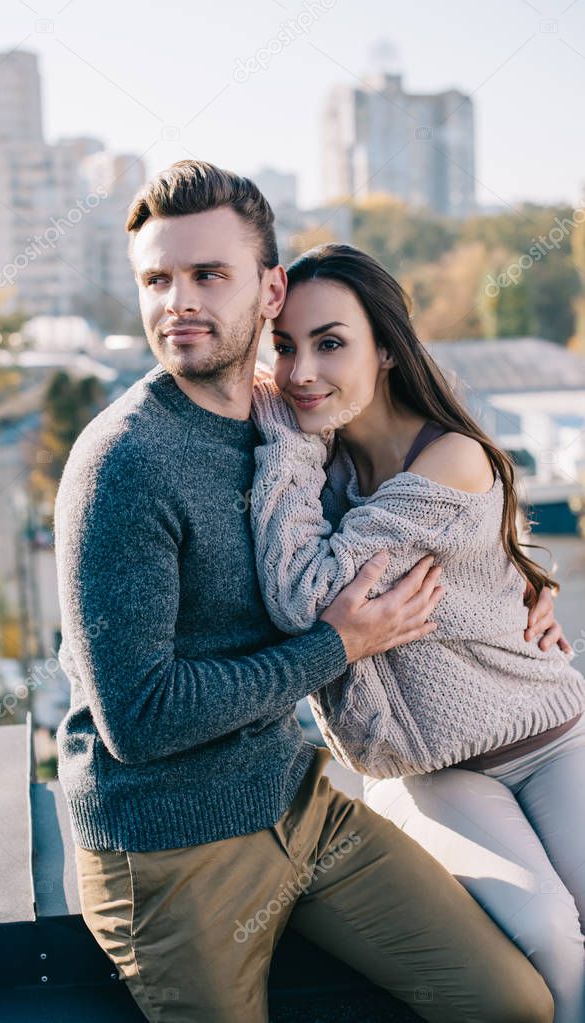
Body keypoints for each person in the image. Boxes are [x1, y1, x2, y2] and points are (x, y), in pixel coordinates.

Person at [54, 160, 557, 1023]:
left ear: (268, 287)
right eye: (156, 279)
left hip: (300, 805)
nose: (178, 300)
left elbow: (410, 509)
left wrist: (519, 587)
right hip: (171, 849)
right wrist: (335, 645)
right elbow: (138, 719)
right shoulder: (123, 466)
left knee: (512, 1002)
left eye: (208, 274)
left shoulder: (285, 416)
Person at [248, 241, 585, 1023]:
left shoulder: (453, 456)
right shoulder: (315, 467)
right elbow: (310, 599)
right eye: (284, 347)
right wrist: (294, 441)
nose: (301, 372)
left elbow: (309, 589)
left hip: (552, 740)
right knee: (548, 938)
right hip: (429, 769)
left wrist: (532, 577)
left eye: (330, 342)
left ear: (388, 351)